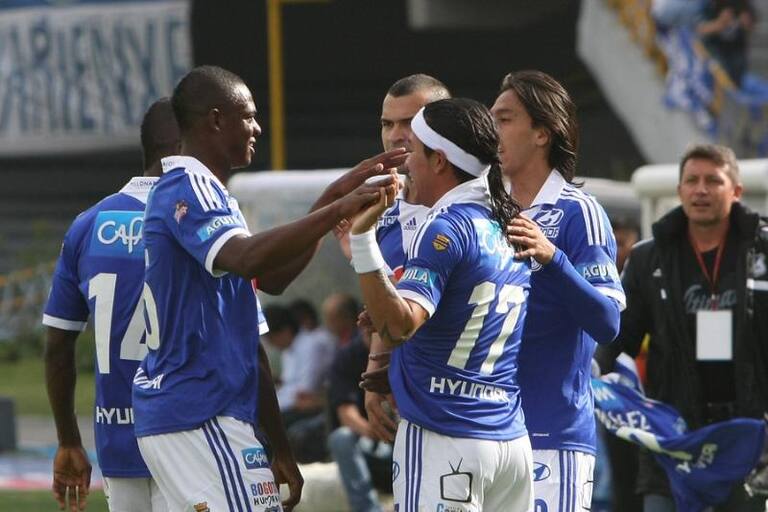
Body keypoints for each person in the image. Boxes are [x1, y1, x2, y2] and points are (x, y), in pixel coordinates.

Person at [131, 65, 404, 512]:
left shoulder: (213, 194)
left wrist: (335, 194)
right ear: (216, 120)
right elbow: (249, 258)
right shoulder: (190, 186)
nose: (257, 128)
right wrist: (338, 206)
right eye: (249, 116)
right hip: (201, 412)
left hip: (202, 412)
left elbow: (271, 278)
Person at [350, 98, 534, 511]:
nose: (406, 162)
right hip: (510, 442)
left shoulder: (446, 226)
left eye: (414, 151)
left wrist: (362, 240)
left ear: (439, 160)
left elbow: (399, 327)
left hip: (446, 436)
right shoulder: (511, 223)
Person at [595, 144, 768, 512]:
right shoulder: (648, 258)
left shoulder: (763, 250)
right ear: (679, 190)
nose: (700, 190)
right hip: (672, 442)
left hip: (750, 443)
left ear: (736, 191)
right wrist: (594, 374)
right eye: (692, 181)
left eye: (713, 181)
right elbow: (616, 336)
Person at [492, 70, 624, 512]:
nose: (492, 130)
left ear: (542, 133)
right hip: (483, 432)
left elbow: (607, 322)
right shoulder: (481, 211)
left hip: (552, 435)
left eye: (504, 119)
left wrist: (553, 259)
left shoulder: (579, 212)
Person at [42, 98, 179, 512]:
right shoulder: (200, 220)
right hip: (190, 437)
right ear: (183, 145)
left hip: (118, 441)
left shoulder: (88, 224)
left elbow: (57, 347)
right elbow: (247, 342)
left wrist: (69, 440)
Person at [363, 74, 451, 443]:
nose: (396, 135)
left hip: (471, 406)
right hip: (415, 404)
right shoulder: (382, 212)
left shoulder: (475, 210)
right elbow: (391, 300)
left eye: (410, 123)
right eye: (388, 124)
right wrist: (376, 370)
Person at [327, 324, 392, 512]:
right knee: (341, 438)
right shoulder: (348, 357)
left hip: (413, 442)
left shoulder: (409, 348)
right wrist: (376, 430)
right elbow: (347, 414)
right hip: (376, 444)